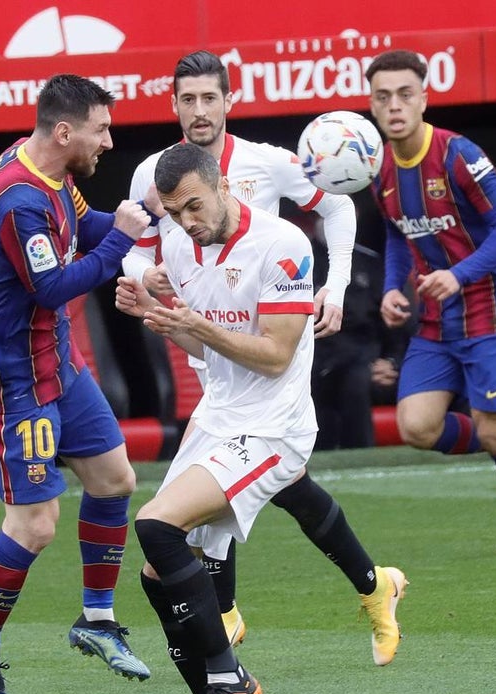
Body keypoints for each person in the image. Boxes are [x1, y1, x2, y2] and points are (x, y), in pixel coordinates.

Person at [115, 142, 407, 694]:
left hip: (275, 426)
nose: (187, 222)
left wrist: (191, 323)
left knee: (157, 526)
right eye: (175, 212)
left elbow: (275, 357)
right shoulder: (180, 245)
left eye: (195, 205)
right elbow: (208, 348)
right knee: (155, 575)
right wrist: (158, 316)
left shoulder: (283, 244)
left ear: (223, 185)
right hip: (218, 417)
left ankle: (228, 685)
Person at [122, 49, 385, 649]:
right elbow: (136, 251)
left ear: (229, 101)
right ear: (173, 105)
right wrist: (145, 278)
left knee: (221, 489)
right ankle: (373, 583)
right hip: (207, 347)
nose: (199, 110)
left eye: (209, 98)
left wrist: (336, 285)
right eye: (187, 99)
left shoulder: (267, 165)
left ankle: (224, 621)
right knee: (271, 487)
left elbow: (337, 203)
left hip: (266, 338)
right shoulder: (152, 175)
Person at [0, 74, 156, 694]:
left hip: (56, 361)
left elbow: (82, 226)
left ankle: (96, 620)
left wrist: (146, 223)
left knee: (115, 477)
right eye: (101, 129)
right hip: (10, 380)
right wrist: (123, 239)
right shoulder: (18, 199)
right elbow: (53, 285)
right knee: (35, 524)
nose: (109, 141)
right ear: (65, 132)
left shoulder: (46, 166)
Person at [366, 50, 496, 558]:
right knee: (416, 426)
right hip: (435, 318)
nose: (394, 105)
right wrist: (392, 287)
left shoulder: (458, 154)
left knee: (492, 432)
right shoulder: (377, 167)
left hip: (490, 311)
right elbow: (396, 233)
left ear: (424, 99)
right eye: (383, 97)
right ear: (372, 105)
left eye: (405, 94)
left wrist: (458, 274)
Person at [301, 212, 415, 450]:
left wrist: (393, 361)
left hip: (362, 361)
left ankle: (361, 456)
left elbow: (396, 324)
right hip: (311, 359)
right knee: (313, 381)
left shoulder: (370, 263)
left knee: (356, 380)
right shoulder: (299, 262)